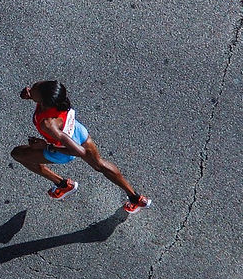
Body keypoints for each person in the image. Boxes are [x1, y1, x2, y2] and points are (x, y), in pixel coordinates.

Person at [10, 81, 151, 213]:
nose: (29, 89)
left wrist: (48, 146)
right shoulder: (56, 98)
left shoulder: (48, 124)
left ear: (44, 101)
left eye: (33, 90)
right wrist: (32, 96)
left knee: (18, 154)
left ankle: (63, 185)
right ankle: (136, 198)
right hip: (79, 132)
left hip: (65, 149)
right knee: (100, 164)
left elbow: (79, 151)